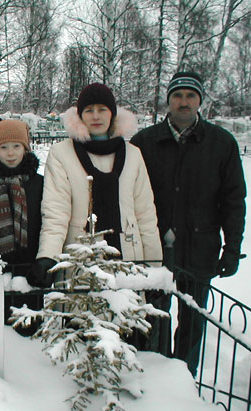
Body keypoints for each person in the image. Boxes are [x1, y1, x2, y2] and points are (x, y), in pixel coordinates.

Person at [131, 71, 246, 376]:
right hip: (154, 252)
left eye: (190, 96)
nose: (183, 102)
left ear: (200, 101)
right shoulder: (145, 142)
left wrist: (232, 248)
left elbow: (233, 201)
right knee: (153, 319)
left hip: (200, 250)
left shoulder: (221, 144)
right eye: (177, 96)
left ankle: (185, 382)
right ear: (168, 100)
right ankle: (155, 381)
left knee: (193, 322)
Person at [28, 83, 162, 288]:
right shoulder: (62, 154)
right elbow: (56, 212)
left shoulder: (133, 154)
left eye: (102, 109)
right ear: (80, 115)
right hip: (79, 259)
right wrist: (48, 255)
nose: (96, 116)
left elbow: (145, 213)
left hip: (127, 258)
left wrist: (154, 268)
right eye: (89, 110)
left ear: (112, 114)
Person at [0, 119, 44, 335]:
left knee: (30, 332)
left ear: (26, 148)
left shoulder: (39, 183)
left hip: (31, 271)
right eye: (3, 147)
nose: (11, 153)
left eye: (16, 146)